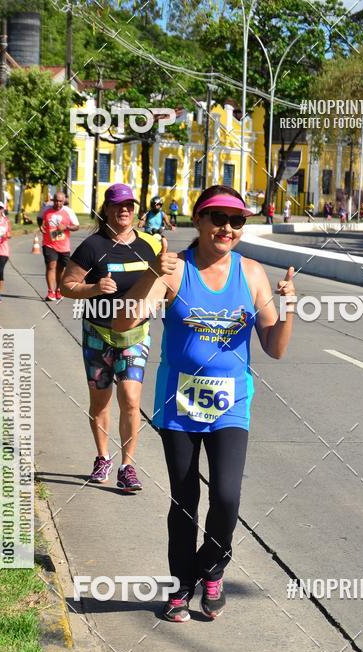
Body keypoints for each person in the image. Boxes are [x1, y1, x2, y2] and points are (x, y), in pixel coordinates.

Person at [113, 184, 296, 622]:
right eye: (218, 218)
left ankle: (211, 569)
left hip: (231, 404)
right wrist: (151, 275)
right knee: (184, 499)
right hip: (178, 405)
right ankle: (180, 587)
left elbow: (274, 347)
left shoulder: (250, 274)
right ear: (198, 220)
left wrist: (288, 308)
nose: (227, 228)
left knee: (227, 497)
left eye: (237, 221)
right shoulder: (174, 270)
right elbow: (124, 322)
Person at [60, 183, 160, 492]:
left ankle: (127, 466)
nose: (124, 210)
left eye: (129, 204)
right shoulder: (93, 246)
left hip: (134, 333)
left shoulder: (150, 245)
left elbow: (164, 282)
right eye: (117, 205)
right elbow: (67, 286)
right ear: (106, 209)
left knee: (131, 399)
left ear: (136, 208)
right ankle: (102, 456)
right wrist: (93, 289)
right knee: (100, 401)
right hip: (98, 334)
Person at [41, 191, 80, 301]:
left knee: (61, 269)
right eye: (56, 201)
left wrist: (66, 227)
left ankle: (58, 289)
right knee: (51, 266)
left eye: (60, 201)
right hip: (49, 243)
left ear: (64, 201)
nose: (58, 203)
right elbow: (41, 221)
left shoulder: (69, 212)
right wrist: (41, 227)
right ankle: (50, 292)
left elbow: (76, 227)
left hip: (64, 245)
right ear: (53, 200)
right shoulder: (46, 210)